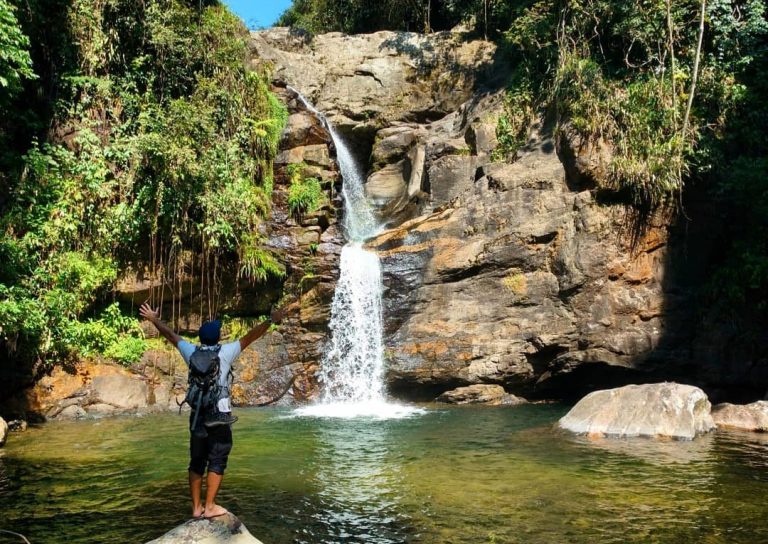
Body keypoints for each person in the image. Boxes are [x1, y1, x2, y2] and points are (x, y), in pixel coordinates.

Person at [139, 301, 297, 519]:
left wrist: (154, 319)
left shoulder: (190, 351)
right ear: (218, 337)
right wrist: (271, 320)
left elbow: (171, 336)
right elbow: (251, 336)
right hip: (220, 415)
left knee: (196, 461)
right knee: (217, 459)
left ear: (201, 339)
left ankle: (196, 508)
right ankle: (210, 506)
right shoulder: (226, 352)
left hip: (198, 415)